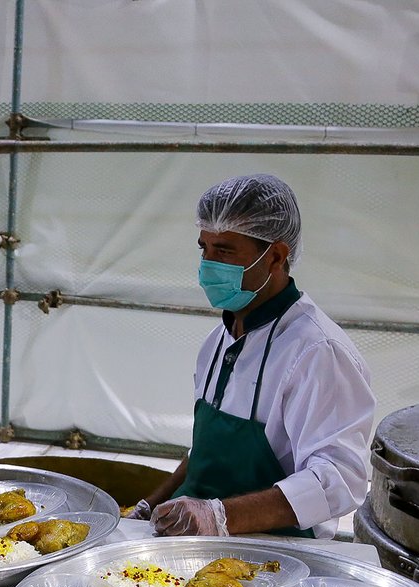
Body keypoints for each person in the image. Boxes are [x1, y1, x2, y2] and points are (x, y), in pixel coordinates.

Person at [125, 174, 375, 538]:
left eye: (224, 251)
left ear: (275, 256)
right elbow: (205, 453)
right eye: (204, 249)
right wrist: (147, 506)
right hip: (191, 546)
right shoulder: (219, 340)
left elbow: (338, 479)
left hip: (277, 554)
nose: (208, 265)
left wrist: (220, 517)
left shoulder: (318, 352)